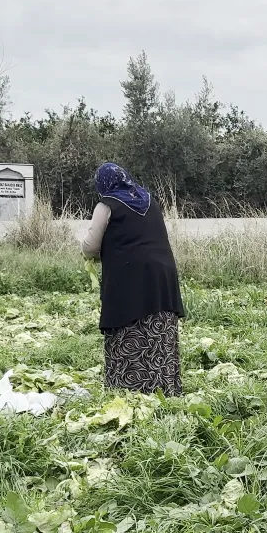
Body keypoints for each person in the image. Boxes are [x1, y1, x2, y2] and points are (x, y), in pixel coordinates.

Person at [81, 163, 186, 396]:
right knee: (159, 327)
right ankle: (164, 388)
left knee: (128, 327)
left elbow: (90, 246)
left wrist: (87, 253)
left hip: (129, 278)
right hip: (162, 276)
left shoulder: (107, 205)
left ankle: (130, 390)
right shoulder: (149, 200)